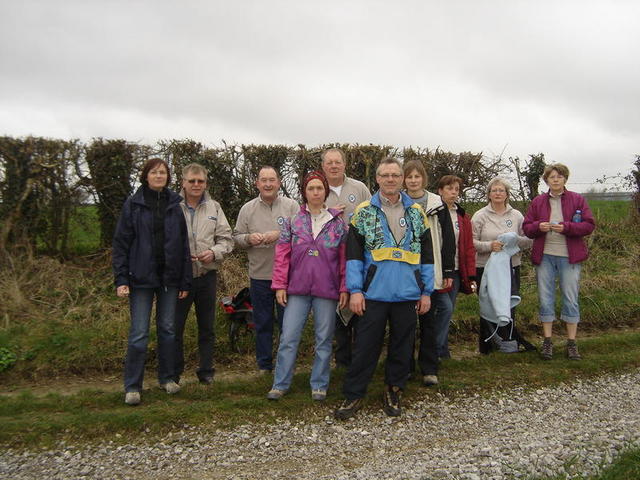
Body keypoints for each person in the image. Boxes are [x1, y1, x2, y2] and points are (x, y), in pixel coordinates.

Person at [334, 157, 434, 420]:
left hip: (407, 294)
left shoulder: (416, 213)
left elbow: (427, 256)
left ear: (402, 179)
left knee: (402, 347)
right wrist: (355, 290)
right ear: (376, 179)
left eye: (395, 175)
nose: (391, 179)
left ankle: (394, 389)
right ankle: (354, 394)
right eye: (385, 175)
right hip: (372, 294)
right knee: (365, 347)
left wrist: (426, 292)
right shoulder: (364, 212)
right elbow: (353, 256)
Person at [112, 158, 192, 406]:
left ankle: (167, 378)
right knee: (139, 333)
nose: (159, 176)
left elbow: (182, 246)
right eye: (154, 172)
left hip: (169, 278)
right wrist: (121, 278)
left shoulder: (174, 205)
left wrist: (185, 282)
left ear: (168, 177)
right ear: (146, 176)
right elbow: (122, 243)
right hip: (141, 279)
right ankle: (133, 386)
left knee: (168, 330)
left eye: (163, 172)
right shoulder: (134, 204)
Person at [267, 171, 349, 401]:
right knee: (288, 337)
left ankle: (319, 384)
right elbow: (282, 254)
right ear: (304, 192)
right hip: (297, 290)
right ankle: (280, 383)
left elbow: (344, 259)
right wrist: (280, 285)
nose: (315, 192)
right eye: (311, 188)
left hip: (327, 290)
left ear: (325, 192)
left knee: (323, 339)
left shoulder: (338, 224)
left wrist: (344, 288)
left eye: (319, 188)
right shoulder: (294, 221)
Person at [523, 163, 595, 360]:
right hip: (544, 255)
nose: (555, 179)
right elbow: (527, 228)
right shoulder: (538, 201)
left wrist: (567, 228)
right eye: (552, 176)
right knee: (545, 298)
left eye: (559, 176)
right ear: (546, 180)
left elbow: (589, 225)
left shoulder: (577, 199)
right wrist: (540, 226)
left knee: (570, 298)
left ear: (565, 179)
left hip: (569, 256)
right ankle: (547, 341)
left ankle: (572, 343)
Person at [233, 166, 298, 373]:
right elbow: (236, 238)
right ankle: (264, 365)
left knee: (288, 325)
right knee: (262, 322)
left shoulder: (291, 206)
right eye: (264, 180)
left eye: (272, 180)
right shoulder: (247, 208)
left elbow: (304, 233)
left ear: (279, 183)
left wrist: (279, 234)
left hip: (287, 276)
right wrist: (248, 239)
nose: (268, 184)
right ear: (257, 183)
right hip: (259, 275)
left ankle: (286, 364)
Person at [173, 163, 233, 385]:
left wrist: (214, 253)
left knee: (207, 327)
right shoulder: (173, 206)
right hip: (180, 279)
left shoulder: (214, 208)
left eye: (200, 181)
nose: (196, 185)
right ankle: (174, 372)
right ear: (183, 182)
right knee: (175, 327)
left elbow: (226, 239)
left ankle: (206, 370)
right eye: (192, 181)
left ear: (206, 183)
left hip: (207, 276)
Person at [402, 160, 455, 387]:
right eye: (409, 177)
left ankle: (429, 368)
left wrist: (447, 270)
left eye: (417, 176)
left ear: (423, 179)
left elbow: (448, 239)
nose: (413, 181)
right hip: (404, 270)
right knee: (404, 324)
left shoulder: (437, 204)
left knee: (428, 322)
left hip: (430, 268)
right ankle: (404, 367)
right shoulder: (397, 202)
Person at [320, 148, 371, 368]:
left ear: (344, 164)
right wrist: (327, 214)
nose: (333, 166)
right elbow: (307, 221)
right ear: (323, 166)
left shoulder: (359, 188)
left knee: (359, 301)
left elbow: (373, 214)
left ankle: (362, 356)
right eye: (329, 162)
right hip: (329, 259)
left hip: (358, 255)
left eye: (337, 162)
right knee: (337, 305)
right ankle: (342, 359)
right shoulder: (316, 189)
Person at [471, 177, 534, 353]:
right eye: (494, 190)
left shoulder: (516, 216)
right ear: (489, 195)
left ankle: (509, 342)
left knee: (509, 304)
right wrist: (490, 246)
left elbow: (528, 240)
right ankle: (488, 346)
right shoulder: (480, 215)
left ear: (507, 194)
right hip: (485, 267)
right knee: (488, 305)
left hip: (511, 267)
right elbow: (471, 242)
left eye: (501, 190)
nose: (498, 193)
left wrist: (513, 241)